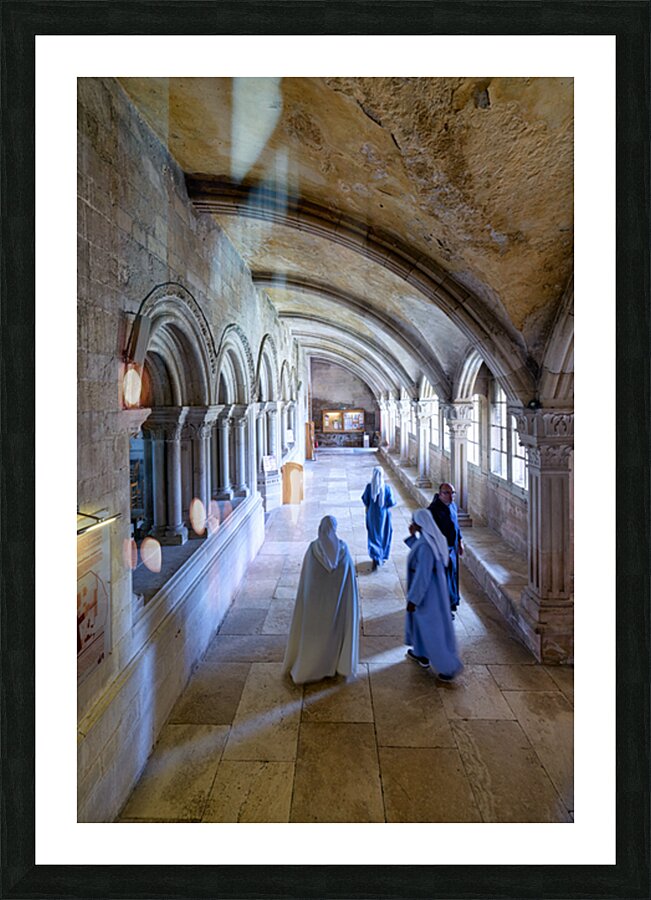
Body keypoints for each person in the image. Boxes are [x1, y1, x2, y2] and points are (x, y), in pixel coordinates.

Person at [283, 515, 359, 684]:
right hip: (337, 606)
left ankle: (310, 668)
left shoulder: (312, 550)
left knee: (313, 635)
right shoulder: (343, 550)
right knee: (333, 636)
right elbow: (349, 583)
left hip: (315, 607)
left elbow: (307, 580)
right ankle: (333, 666)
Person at [404, 508, 462, 681]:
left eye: (414, 521)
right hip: (434, 590)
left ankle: (448, 667)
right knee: (422, 624)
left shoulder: (425, 547)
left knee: (432, 629)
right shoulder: (431, 540)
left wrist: (414, 599)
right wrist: (413, 537)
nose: (412, 524)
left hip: (427, 595)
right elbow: (421, 553)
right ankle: (421, 653)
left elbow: (422, 575)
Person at [428, 482, 463, 613]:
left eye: (453, 493)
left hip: (452, 548)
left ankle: (451, 603)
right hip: (440, 550)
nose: (451, 496)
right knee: (443, 580)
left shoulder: (452, 506)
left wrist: (460, 541)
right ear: (440, 494)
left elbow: (456, 525)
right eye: (447, 493)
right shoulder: (433, 510)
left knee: (452, 576)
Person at [361, 465, 396, 570]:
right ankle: (382, 555)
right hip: (383, 516)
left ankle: (375, 557)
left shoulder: (369, 487)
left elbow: (365, 500)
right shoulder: (387, 488)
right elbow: (391, 503)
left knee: (373, 535)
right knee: (385, 534)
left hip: (372, 515)